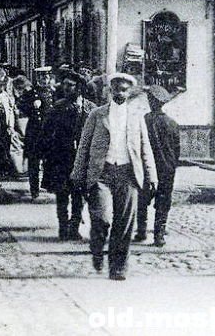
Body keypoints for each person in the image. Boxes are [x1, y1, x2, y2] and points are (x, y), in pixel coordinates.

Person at [71, 72, 157, 280]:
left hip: (128, 174)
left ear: (130, 92)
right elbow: (84, 145)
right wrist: (77, 172)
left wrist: (151, 175)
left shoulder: (137, 117)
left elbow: (145, 147)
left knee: (124, 223)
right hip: (102, 174)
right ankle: (97, 247)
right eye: (117, 88)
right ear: (110, 90)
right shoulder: (97, 115)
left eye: (125, 89)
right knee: (101, 218)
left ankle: (118, 267)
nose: (120, 92)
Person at [42, 70, 96, 240]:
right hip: (61, 158)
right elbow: (46, 133)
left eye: (70, 85)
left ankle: (74, 227)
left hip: (82, 159)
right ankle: (63, 228)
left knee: (79, 195)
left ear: (79, 88)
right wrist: (47, 156)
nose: (66, 88)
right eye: (64, 85)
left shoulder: (91, 109)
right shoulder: (57, 108)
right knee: (62, 194)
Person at [135, 85, 180, 247]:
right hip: (167, 169)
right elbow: (177, 150)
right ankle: (159, 235)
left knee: (142, 200)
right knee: (164, 201)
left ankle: (141, 231)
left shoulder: (144, 121)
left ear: (151, 101)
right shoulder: (172, 123)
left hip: (147, 168)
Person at [14, 74, 47, 199]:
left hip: (48, 132)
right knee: (34, 161)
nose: (46, 80)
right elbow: (21, 105)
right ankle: (34, 189)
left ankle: (47, 185)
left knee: (49, 160)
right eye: (43, 78)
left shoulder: (52, 92)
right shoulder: (31, 93)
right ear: (39, 79)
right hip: (34, 132)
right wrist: (31, 106)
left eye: (48, 78)